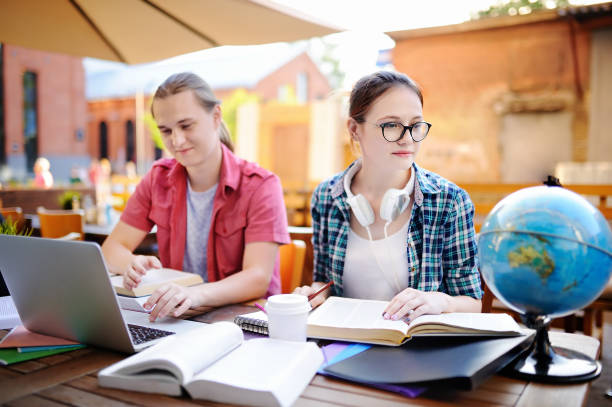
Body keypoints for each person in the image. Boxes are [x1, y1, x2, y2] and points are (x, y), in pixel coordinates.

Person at [294, 71, 482, 321]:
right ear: (354, 129)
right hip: (344, 344)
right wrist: (315, 293)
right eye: (391, 125)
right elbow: (324, 282)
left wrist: (439, 300)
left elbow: (473, 304)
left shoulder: (449, 201)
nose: (407, 139)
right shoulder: (326, 197)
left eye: (415, 125)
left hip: (418, 351)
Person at [102, 72, 290, 321]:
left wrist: (195, 295)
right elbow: (111, 249)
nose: (177, 140)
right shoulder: (157, 178)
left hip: (242, 322)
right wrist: (132, 265)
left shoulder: (261, 186)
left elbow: (257, 277)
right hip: (178, 318)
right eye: (166, 131)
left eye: (186, 125)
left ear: (215, 117)